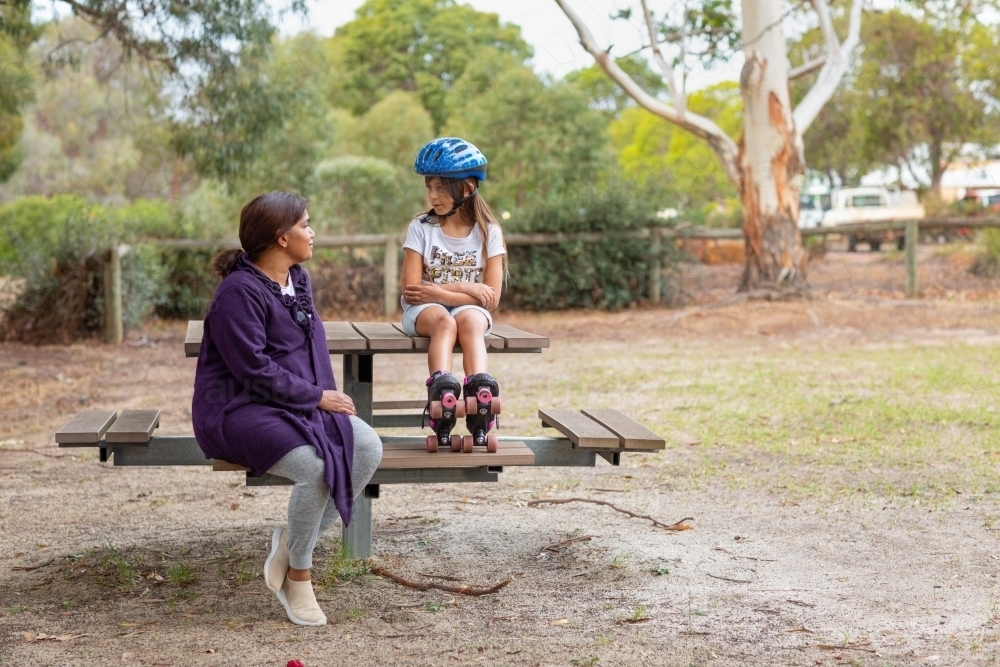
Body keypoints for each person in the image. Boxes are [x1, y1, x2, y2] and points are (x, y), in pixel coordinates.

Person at [192, 192, 382, 627]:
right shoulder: (237, 294)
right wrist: (317, 399)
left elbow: (311, 352)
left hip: (296, 402)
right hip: (237, 408)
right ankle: (299, 575)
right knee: (315, 468)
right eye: (306, 225)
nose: (313, 232)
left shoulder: (298, 278)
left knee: (367, 449)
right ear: (281, 238)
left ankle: (292, 544)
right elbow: (253, 370)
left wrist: (326, 405)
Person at [400, 138, 508, 453]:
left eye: (441, 188)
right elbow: (413, 290)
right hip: (424, 311)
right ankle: (442, 391)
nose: (432, 195)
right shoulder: (421, 227)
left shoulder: (489, 231)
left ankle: (479, 396)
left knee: (472, 322)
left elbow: (491, 297)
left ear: (466, 189)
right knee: (444, 323)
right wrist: (468, 289)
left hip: (467, 309)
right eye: (429, 187)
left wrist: (446, 290)